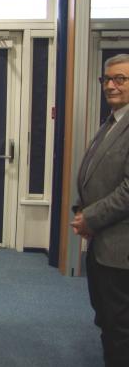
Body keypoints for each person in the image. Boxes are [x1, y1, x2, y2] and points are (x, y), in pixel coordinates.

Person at [71, 53, 129, 367]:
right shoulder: (112, 121)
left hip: (121, 248)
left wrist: (89, 217)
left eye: (120, 79)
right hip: (103, 243)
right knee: (108, 319)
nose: (111, 86)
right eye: (106, 79)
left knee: (119, 327)